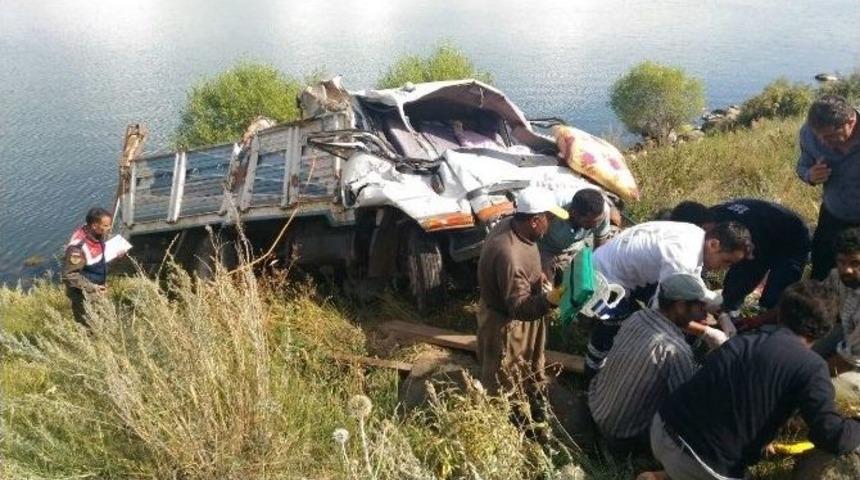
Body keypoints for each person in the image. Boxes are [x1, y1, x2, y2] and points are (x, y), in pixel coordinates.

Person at [642, 280, 860, 480]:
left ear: (781, 315)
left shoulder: (745, 340)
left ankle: (662, 475)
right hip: (706, 465)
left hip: (662, 429)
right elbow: (830, 434)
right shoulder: (812, 367)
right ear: (825, 329)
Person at [583, 220, 753, 379]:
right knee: (622, 325)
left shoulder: (696, 236)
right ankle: (592, 370)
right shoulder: (683, 256)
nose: (723, 269)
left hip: (613, 266)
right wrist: (707, 333)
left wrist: (722, 315)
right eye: (726, 262)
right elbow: (662, 314)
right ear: (714, 244)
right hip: (601, 281)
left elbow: (693, 284)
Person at [588, 273, 716, 458]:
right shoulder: (676, 351)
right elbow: (684, 407)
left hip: (596, 405)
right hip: (620, 435)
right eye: (700, 305)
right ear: (680, 306)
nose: (705, 311)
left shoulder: (637, 316)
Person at [476, 187, 567, 397]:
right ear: (535, 220)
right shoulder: (510, 255)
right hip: (506, 324)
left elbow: (526, 266)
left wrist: (539, 277)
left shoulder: (514, 225)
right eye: (550, 218)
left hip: (517, 307)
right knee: (504, 376)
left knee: (526, 367)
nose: (552, 224)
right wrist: (551, 299)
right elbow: (519, 308)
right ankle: (502, 412)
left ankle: (527, 392)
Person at [669, 199, 810, 327]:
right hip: (765, 226)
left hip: (791, 238)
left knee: (774, 295)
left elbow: (750, 271)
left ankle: (760, 331)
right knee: (734, 287)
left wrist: (753, 319)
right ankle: (731, 314)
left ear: (705, 228)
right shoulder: (707, 218)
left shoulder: (743, 237)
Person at [796, 95, 860, 280]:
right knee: (822, 270)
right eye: (820, 137)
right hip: (833, 215)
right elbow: (802, 166)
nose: (823, 143)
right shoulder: (808, 133)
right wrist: (810, 175)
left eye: (831, 136)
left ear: (850, 122)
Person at [813, 228, 860, 397]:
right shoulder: (836, 277)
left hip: (853, 361)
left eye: (855, 263)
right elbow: (814, 306)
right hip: (847, 337)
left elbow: (847, 362)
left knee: (825, 392)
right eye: (842, 262)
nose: (846, 270)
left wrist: (803, 374)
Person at [538, 188, 612, 281]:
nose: (595, 225)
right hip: (545, 247)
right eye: (589, 222)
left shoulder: (603, 211)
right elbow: (533, 232)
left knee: (577, 281)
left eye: (597, 221)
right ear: (574, 213)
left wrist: (592, 267)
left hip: (573, 249)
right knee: (545, 283)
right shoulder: (554, 206)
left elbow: (600, 245)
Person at [62, 207, 113, 326]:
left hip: (96, 288)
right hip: (83, 294)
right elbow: (69, 275)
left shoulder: (95, 234)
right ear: (94, 225)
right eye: (106, 226)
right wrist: (93, 287)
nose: (109, 228)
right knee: (88, 325)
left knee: (103, 319)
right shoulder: (77, 249)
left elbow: (95, 261)